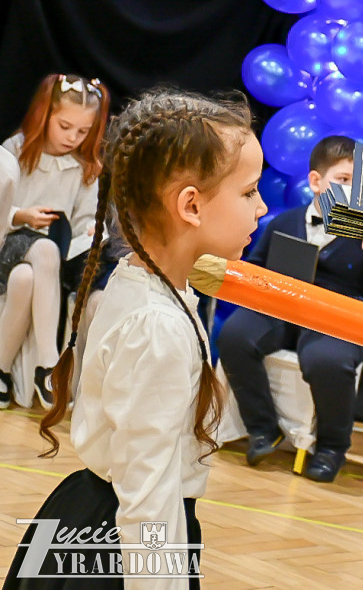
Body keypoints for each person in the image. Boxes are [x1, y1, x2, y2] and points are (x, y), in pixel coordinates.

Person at [3, 89, 267, 589]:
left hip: (91, 518)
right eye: (249, 191)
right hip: (118, 549)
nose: (263, 205)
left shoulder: (141, 283)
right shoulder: (157, 327)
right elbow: (148, 496)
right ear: (190, 205)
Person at [218, 134, 363, 483]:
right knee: (235, 335)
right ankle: (263, 428)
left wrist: (335, 309)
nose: (350, 190)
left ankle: (331, 448)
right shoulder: (283, 223)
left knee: (327, 361)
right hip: (280, 313)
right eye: (343, 180)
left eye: (357, 184)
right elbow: (253, 270)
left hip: (336, 324)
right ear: (316, 181)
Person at [0, 73, 109, 410]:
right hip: (7, 243)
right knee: (42, 250)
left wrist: (92, 229)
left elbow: (84, 221)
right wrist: (21, 216)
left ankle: (1, 370)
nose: (73, 138)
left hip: (47, 266)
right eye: (65, 127)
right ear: (44, 115)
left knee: (27, 277)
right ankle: (50, 365)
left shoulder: (85, 167)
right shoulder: (14, 150)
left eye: (83, 131)